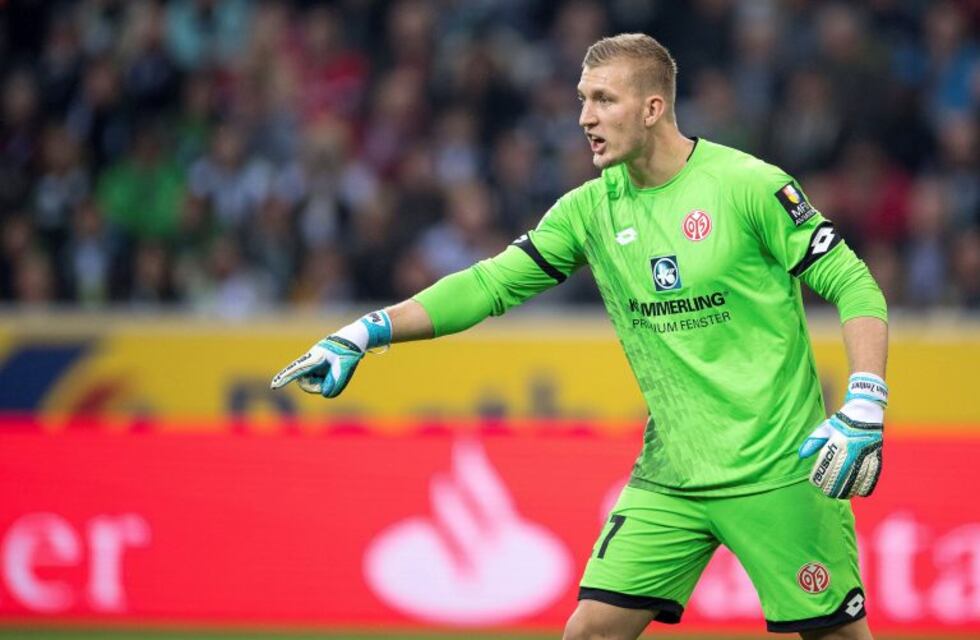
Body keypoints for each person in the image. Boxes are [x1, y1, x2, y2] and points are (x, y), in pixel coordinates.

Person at [271, 34, 888, 640]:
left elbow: (854, 285)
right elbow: (488, 284)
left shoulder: (748, 186)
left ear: (652, 108)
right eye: (582, 100)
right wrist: (367, 330)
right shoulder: (589, 210)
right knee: (591, 631)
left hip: (778, 471)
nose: (585, 118)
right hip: (672, 478)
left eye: (603, 100)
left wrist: (865, 402)